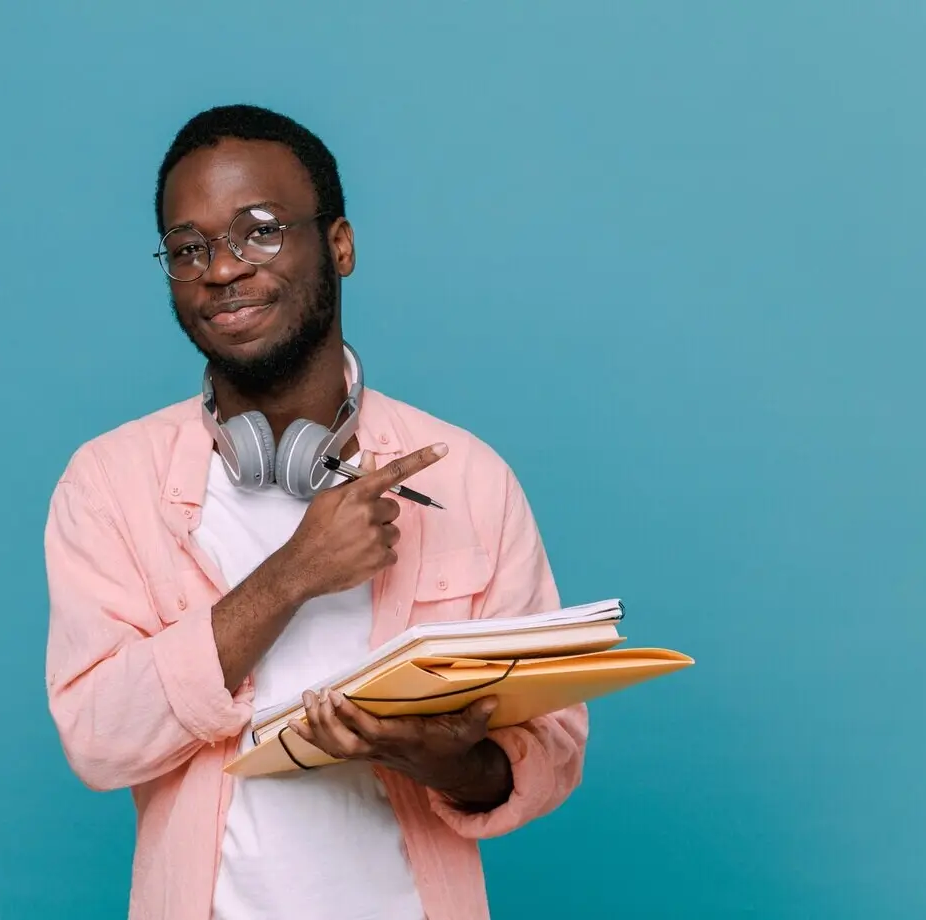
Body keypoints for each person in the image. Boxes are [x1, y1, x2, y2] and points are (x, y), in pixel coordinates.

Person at [43, 103, 588, 920]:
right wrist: (293, 575)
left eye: (259, 230)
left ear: (340, 245)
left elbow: (550, 752)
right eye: (190, 248)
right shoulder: (108, 483)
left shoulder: (469, 477)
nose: (221, 270)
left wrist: (445, 762)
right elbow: (96, 735)